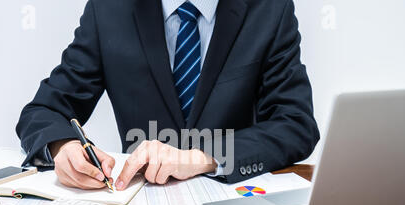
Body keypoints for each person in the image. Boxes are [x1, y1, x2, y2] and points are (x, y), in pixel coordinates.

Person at [16, 0, 320, 191]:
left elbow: (295, 124)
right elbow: (43, 111)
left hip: (234, 200)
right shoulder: (108, 9)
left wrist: (204, 158)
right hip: (137, 204)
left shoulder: (269, 8)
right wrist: (62, 146)